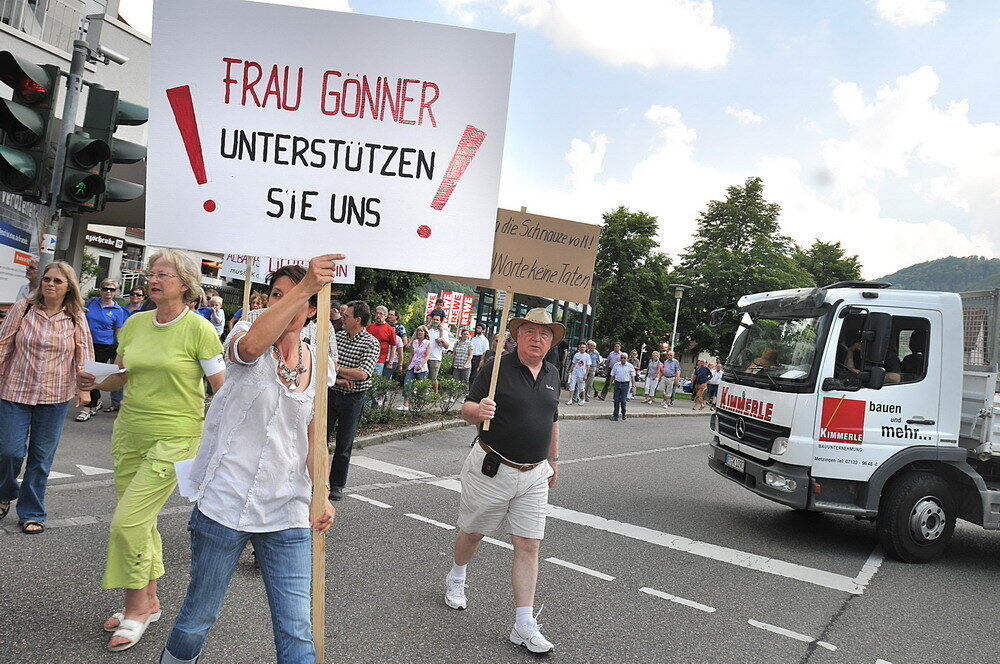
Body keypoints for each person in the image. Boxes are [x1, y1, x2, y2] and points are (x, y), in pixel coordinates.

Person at [159, 255, 339, 664]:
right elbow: (253, 346)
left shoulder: (319, 363)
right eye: (277, 295)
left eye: (295, 297)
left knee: (297, 630)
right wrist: (306, 285)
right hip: (226, 500)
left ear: (313, 311)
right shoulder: (246, 332)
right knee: (197, 619)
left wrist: (322, 496)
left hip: (288, 508)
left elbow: (315, 442)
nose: (284, 303)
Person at [77, 249, 226, 652]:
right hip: (130, 433)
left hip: (176, 437)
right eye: (151, 273)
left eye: (163, 274)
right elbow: (120, 377)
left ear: (185, 283)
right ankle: (151, 600)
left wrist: (223, 444)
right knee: (141, 523)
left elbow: (222, 390)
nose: (153, 279)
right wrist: (93, 380)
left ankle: (136, 608)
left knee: (127, 523)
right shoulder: (136, 322)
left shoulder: (200, 329)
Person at [445, 308, 562, 654]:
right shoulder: (496, 368)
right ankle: (457, 575)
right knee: (474, 533)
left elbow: (553, 418)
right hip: (492, 467)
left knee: (529, 545)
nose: (536, 339)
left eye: (544, 334)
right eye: (530, 331)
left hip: (535, 474)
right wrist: (477, 411)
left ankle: (523, 624)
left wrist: (554, 460)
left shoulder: (554, 372)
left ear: (551, 341)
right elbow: (466, 408)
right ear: (517, 335)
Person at [0, 262, 92, 534]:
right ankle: (5, 491)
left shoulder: (75, 316)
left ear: (68, 287)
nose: (51, 284)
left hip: (55, 396)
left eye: (58, 281)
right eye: (47, 279)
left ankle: (31, 512)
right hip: (15, 391)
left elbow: (84, 355)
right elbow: (3, 345)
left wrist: (84, 388)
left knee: (41, 458)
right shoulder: (23, 308)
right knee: (9, 451)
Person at [328, 300, 379, 501]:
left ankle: (337, 485)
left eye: (346, 316)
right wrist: (339, 377)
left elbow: (362, 374)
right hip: (332, 392)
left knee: (344, 444)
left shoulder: (371, 342)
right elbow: (325, 363)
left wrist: (337, 368)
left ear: (358, 319)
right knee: (320, 439)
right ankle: (315, 480)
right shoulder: (337, 336)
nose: (343, 319)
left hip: (353, 399)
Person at [78, 278, 127, 420]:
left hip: (105, 345)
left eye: (112, 289)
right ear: (101, 290)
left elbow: (118, 331)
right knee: (85, 371)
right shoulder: (92, 302)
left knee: (93, 374)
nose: (108, 292)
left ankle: (89, 407)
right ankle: (96, 400)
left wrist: (120, 349)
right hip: (87, 342)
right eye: (105, 288)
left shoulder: (117, 310)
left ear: (115, 292)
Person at [399, 325, 430, 411]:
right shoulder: (415, 342)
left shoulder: (428, 343)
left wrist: (421, 365)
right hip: (412, 366)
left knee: (420, 387)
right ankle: (405, 404)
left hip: (422, 368)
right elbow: (412, 355)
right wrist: (408, 365)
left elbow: (427, 356)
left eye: (421, 331)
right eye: (418, 331)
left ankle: (418, 406)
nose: (419, 332)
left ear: (425, 333)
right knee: (407, 384)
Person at [366, 305, 397, 377]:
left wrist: (390, 362)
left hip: (380, 360)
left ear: (386, 316)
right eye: (377, 313)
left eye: (380, 314)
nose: (378, 315)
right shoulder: (369, 327)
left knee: (375, 382)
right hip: (367, 359)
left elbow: (393, 346)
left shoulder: (389, 329)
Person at [426, 313, 452, 392]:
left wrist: (442, 340)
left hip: (435, 357)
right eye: (434, 319)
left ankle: (435, 393)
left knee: (433, 377)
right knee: (423, 376)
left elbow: (447, 346)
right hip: (425, 356)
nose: (435, 321)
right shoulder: (427, 330)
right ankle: (425, 391)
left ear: (440, 321)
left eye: (437, 320)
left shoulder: (443, 332)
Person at [609, 353, 636, 421]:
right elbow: (612, 375)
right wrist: (609, 385)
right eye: (622, 358)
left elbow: (633, 377)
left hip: (625, 384)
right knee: (616, 400)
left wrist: (633, 386)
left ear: (627, 359)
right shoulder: (616, 365)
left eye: (624, 358)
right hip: (617, 383)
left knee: (623, 401)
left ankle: (624, 413)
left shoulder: (630, 366)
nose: (623, 359)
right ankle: (615, 415)